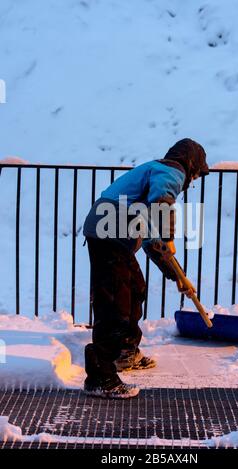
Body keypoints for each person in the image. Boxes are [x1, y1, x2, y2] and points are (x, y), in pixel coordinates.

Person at [83, 138, 209, 398]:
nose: (192, 181)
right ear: (191, 165)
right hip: (110, 232)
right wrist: (169, 236)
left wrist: (176, 276)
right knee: (116, 303)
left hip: (110, 232)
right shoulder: (172, 171)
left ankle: (126, 352)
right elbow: (163, 204)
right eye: (195, 175)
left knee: (135, 289)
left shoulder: (154, 175)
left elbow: (154, 242)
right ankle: (100, 376)